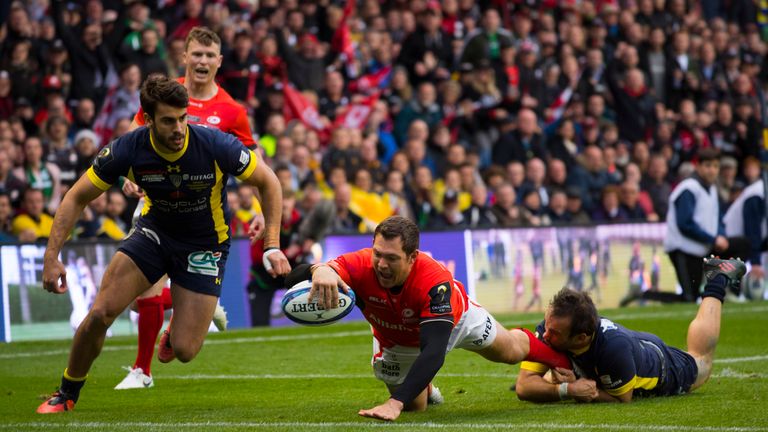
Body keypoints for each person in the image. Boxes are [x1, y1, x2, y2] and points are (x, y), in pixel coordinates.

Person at [36, 76, 290, 414]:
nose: (179, 128)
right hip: (154, 234)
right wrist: (51, 257)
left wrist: (272, 244)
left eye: (183, 118)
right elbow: (75, 197)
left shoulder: (214, 144)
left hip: (205, 243)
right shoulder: (127, 148)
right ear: (149, 119)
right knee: (100, 313)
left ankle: (179, 324)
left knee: (185, 350)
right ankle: (66, 393)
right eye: (169, 120)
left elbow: (269, 181)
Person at [290, 216, 571, 421]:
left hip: (457, 322)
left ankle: (561, 359)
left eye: (391, 258)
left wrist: (394, 402)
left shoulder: (434, 282)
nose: (381, 265)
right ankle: (425, 388)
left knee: (510, 351)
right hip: (394, 341)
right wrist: (319, 269)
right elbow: (290, 277)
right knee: (418, 408)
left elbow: (435, 351)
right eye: (377, 255)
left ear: (412, 257)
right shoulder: (358, 263)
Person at [116, 27, 262, 390]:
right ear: (184, 56)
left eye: (210, 55)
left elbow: (255, 162)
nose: (202, 61)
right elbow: (134, 142)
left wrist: (259, 207)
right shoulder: (164, 97)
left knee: (177, 342)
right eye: (196, 54)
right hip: (156, 207)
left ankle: (142, 369)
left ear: (219, 62)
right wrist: (126, 179)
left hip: (201, 220)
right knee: (136, 299)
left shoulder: (231, 111)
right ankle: (195, 308)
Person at [515, 256, 745, 403]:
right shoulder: (551, 328)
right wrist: (568, 388)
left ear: (581, 337)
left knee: (701, 360)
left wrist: (584, 390)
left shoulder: (613, 349)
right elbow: (524, 386)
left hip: (665, 366)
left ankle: (717, 278)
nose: (545, 335)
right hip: (633, 347)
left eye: (554, 333)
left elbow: (622, 398)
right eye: (547, 325)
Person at [661, 148, 748, 302]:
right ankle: (646, 295)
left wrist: (721, 236)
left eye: (715, 166)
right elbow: (685, 224)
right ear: (698, 166)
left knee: (742, 244)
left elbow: (718, 218)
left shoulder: (712, 189)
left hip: (703, 247)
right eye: (708, 166)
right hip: (683, 249)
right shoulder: (689, 188)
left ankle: (730, 289)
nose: (712, 170)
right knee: (689, 298)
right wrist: (713, 239)